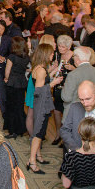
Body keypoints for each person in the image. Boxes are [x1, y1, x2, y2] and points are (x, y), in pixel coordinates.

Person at [28, 44, 63, 174]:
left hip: (40, 103)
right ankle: (32, 161)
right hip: (41, 104)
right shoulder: (41, 70)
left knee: (39, 130)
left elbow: (43, 80)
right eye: (51, 53)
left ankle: (38, 156)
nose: (52, 55)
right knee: (39, 133)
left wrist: (53, 71)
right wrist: (53, 83)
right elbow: (39, 91)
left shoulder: (39, 68)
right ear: (45, 54)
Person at [2, 36, 30, 138]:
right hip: (22, 83)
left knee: (10, 107)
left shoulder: (12, 57)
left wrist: (6, 78)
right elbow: (26, 69)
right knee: (19, 107)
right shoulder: (26, 57)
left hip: (12, 83)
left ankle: (12, 130)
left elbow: (7, 71)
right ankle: (21, 129)